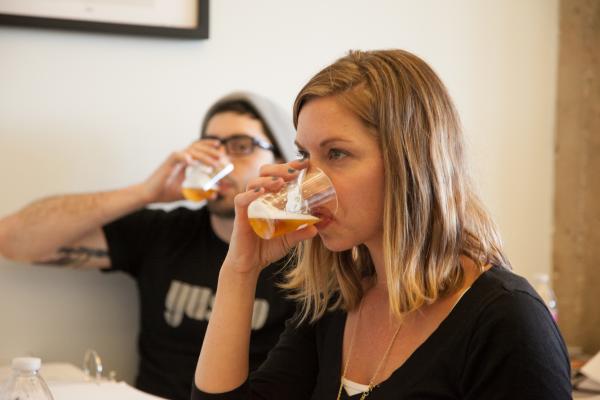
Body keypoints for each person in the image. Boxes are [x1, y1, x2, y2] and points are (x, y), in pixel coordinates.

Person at [191, 50, 572, 399]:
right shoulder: (335, 301)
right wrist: (239, 271)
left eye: (337, 153)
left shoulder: (507, 319)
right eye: (304, 155)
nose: (306, 184)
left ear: (409, 163)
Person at [0, 91, 298, 400]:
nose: (219, 160)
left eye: (241, 147)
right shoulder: (166, 233)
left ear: (280, 159)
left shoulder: (305, 252)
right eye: (210, 147)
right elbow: (12, 240)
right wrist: (146, 192)